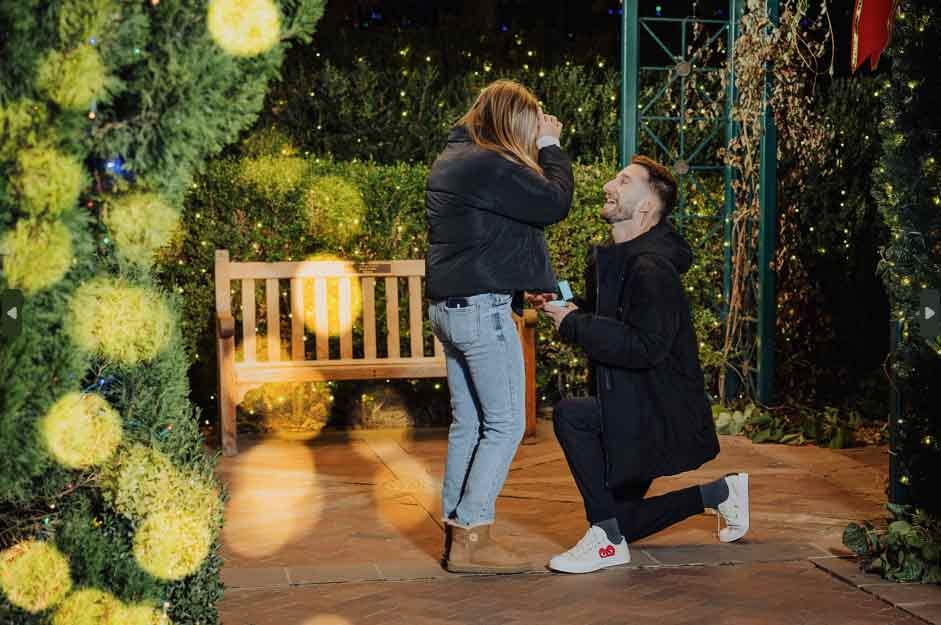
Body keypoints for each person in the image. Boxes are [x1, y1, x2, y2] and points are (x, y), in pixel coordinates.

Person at [530, 154, 749, 575]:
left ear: (647, 207)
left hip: (658, 410)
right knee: (621, 517)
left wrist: (576, 324)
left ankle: (607, 543)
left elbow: (646, 345)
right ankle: (720, 494)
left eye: (624, 181)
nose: (610, 185)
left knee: (572, 416)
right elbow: (613, 321)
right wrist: (570, 307)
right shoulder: (618, 260)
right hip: (634, 402)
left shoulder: (651, 268)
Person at [425, 80, 574, 574]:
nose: (537, 130)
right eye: (533, 121)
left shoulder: (457, 158)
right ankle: (473, 535)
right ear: (513, 121)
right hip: (479, 312)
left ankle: (456, 529)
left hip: (452, 307)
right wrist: (551, 145)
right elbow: (552, 203)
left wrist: (524, 282)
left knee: (470, 422)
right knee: (507, 423)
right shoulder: (489, 163)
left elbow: (491, 235)